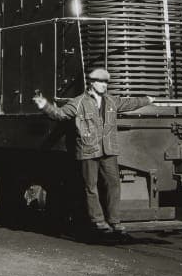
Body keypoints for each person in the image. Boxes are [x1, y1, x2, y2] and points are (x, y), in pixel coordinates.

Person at [33, 68, 154, 233]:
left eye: (106, 82)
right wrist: (45, 106)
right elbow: (60, 114)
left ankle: (115, 221)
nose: (104, 85)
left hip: (108, 150)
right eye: (101, 82)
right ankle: (98, 221)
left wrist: (147, 99)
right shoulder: (79, 102)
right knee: (91, 187)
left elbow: (130, 103)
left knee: (113, 185)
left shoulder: (112, 101)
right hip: (88, 150)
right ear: (92, 83)